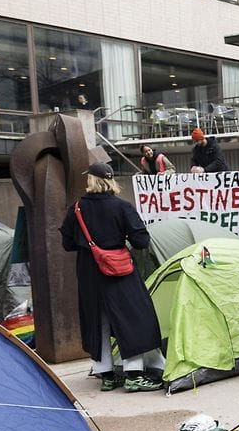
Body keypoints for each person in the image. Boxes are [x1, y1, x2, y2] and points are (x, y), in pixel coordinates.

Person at [60, 162, 165, 392]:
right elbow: (141, 241)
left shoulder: (76, 209)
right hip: (120, 270)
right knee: (135, 318)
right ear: (110, 181)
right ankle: (134, 373)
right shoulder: (122, 207)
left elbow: (67, 244)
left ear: (91, 181)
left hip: (88, 272)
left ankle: (106, 375)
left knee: (98, 321)